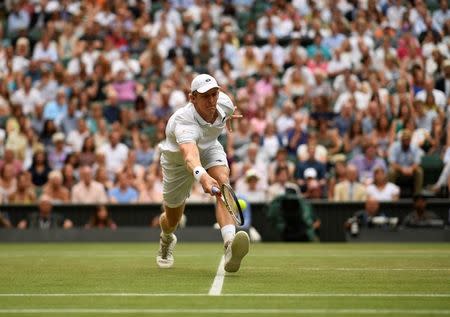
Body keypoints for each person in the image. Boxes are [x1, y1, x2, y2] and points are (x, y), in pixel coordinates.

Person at [157, 74, 249, 272]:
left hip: (209, 149)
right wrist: (203, 177)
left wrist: (229, 117)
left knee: (223, 181)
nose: (212, 100)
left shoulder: (224, 103)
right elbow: (190, 157)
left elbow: (227, 111)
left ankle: (229, 245)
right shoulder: (183, 121)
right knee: (172, 220)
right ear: (192, 98)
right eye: (205, 96)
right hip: (178, 163)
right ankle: (166, 239)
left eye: (214, 94)